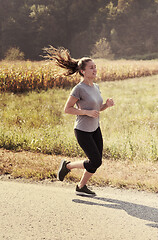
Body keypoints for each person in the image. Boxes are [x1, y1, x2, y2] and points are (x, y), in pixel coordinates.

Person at [43, 46, 115, 196]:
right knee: (95, 161)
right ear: (83, 71)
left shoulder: (96, 87)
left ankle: (81, 187)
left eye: (95, 67)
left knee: (96, 161)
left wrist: (106, 106)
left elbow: (97, 109)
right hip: (82, 131)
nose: (95, 70)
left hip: (95, 128)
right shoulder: (79, 89)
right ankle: (67, 166)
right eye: (91, 68)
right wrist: (86, 112)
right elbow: (67, 109)